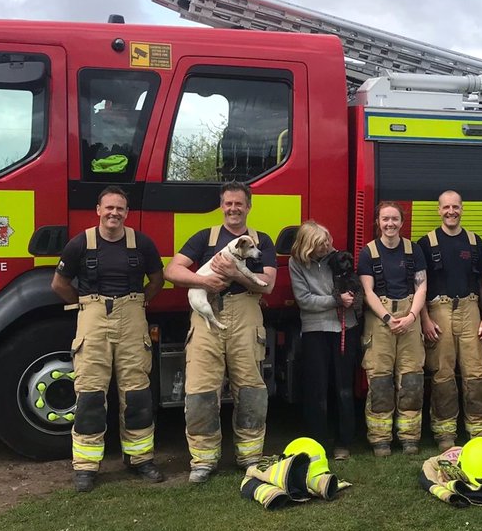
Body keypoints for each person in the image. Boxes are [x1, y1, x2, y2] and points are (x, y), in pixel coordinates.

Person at [52, 186, 165, 492]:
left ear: (127, 213)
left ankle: (140, 458)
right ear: (98, 210)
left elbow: (157, 280)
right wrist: (87, 305)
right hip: (93, 317)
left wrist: (138, 303)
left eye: (120, 208)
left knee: (137, 393)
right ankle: (86, 466)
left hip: (132, 318)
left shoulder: (142, 243)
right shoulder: (80, 243)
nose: (114, 213)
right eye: (109, 208)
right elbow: (59, 283)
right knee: (90, 393)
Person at [164, 181, 277, 483]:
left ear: (248, 206)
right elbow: (172, 271)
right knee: (200, 390)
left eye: (239, 203)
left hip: (246, 316)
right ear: (221, 206)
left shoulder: (262, 241)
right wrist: (204, 282)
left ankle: (250, 456)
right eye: (228, 203)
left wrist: (234, 274)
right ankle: (203, 460)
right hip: (207, 315)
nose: (233, 208)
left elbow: (268, 284)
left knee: (251, 389)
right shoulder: (205, 237)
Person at [418, 191, 482, 451]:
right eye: (446, 207)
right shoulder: (426, 244)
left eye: (456, 207)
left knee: (476, 371)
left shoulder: (474, 242)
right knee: (442, 372)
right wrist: (425, 319)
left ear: (462, 209)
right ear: (439, 210)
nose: (451, 211)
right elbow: (419, 285)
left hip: (471, 308)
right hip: (438, 311)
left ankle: (480, 430)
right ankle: (444, 432)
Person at [358, 202, 427, 456]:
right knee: (380, 380)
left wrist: (411, 317)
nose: (390, 224)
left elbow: (421, 287)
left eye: (395, 219)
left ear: (402, 221)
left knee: (411, 378)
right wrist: (388, 318)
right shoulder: (368, 253)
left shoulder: (414, 250)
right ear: (378, 222)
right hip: (380, 320)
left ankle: (409, 437)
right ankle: (380, 439)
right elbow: (368, 292)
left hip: (410, 317)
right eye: (385, 219)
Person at [288, 220, 360, 461]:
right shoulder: (296, 263)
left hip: (345, 327)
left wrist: (350, 297)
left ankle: (344, 441)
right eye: (321, 244)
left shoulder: (340, 258)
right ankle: (318, 441)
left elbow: (352, 289)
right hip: (315, 330)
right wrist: (336, 300)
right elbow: (304, 300)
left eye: (327, 241)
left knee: (343, 387)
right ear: (308, 245)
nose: (327, 246)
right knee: (316, 387)